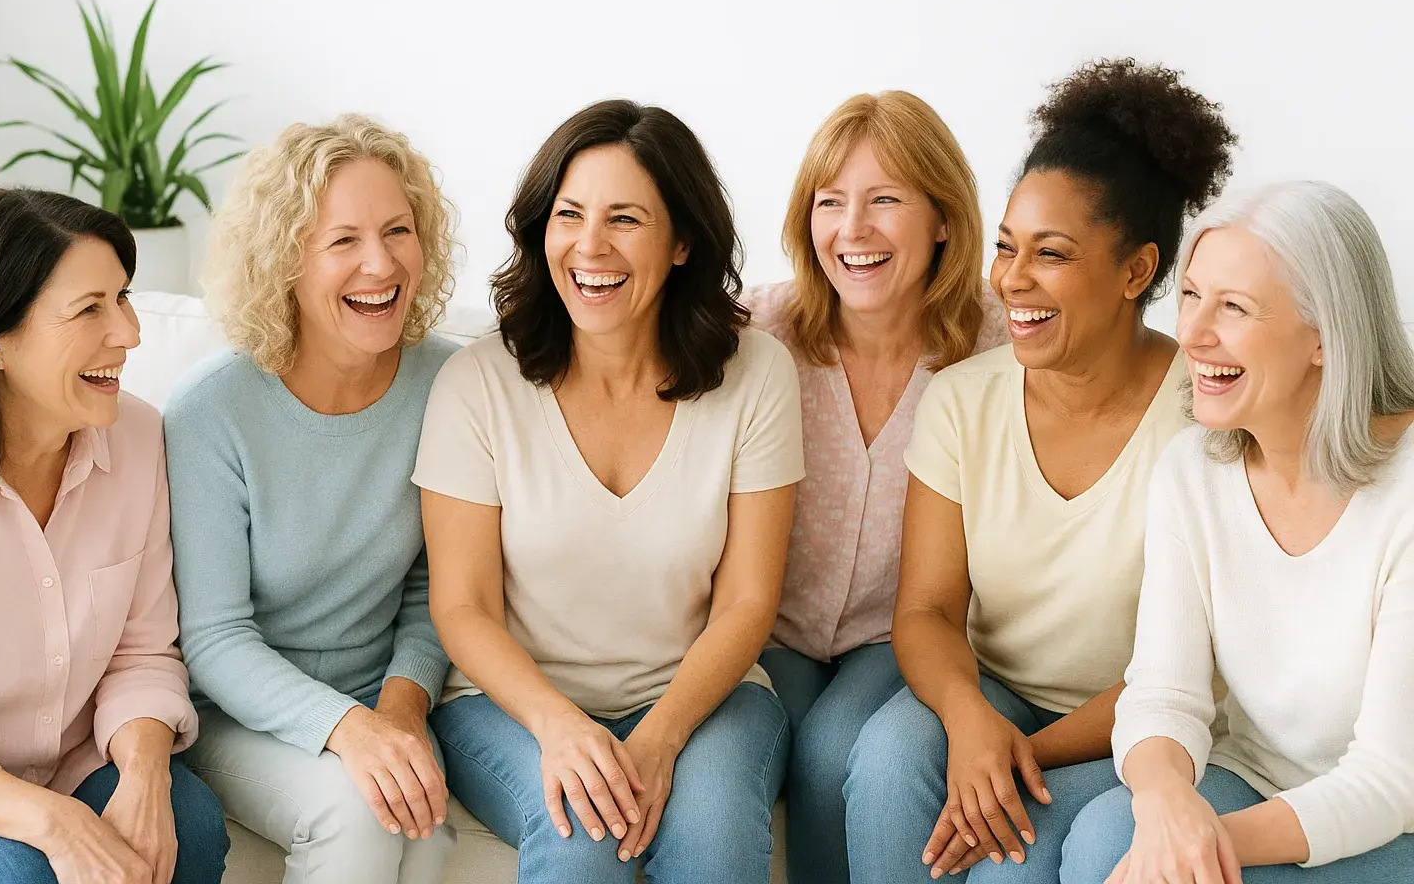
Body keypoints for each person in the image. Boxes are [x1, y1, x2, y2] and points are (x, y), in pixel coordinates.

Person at [844, 58, 1237, 882]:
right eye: (1006, 248)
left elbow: (1203, 670)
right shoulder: (961, 400)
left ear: (1136, 272)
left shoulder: (1208, 419)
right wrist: (970, 721)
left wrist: (1017, 756)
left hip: (1154, 724)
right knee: (885, 766)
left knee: (1012, 863)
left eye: (1050, 254)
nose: (1011, 280)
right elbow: (925, 609)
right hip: (996, 690)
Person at [415, 99, 802, 884]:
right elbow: (462, 607)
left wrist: (660, 738)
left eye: (625, 219)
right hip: (509, 704)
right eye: (569, 215)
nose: (590, 246)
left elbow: (747, 602)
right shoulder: (475, 383)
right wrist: (559, 726)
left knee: (716, 842)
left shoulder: (758, 374)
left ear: (683, 242)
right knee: (580, 840)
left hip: (701, 697)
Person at [1062, 181, 1414, 883]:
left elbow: (1388, 781)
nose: (1191, 334)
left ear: (1324, 336)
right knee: (1096, 840)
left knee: (1129, 860)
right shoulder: (1192, 469)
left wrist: (1196, 846)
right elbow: (1162, 695)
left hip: (1393, 817)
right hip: (1254, 774)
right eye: (1191, 295)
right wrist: (1165, 806)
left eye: (1234, 307)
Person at [0, 188, 228, 884]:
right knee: (16, 874)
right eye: (89, 308)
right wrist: (56, 823)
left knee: (188, 826)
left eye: (123, 298)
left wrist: (146, 774)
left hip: (66, 763)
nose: (129, 333)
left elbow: (142, 652)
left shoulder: (138, 439)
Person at [164, 115, 459, 883]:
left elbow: (436, 586)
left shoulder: (448, 386)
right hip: (235, 711)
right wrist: (349, 730)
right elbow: (215, 637)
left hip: (382, 696)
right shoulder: (210, 412)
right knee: (358, 813)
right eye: (343, 241)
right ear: (284, 260)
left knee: (429, 835)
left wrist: (400, 710)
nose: (380, 264)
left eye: (398, 231)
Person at [746, 90, 1007, 884]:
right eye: (830, 202)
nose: (852, 229)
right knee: (785, 737)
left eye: (884, 200)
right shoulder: (756, 333)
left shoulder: (999, 340)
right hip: (774, 631)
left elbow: (1122, 355)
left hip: (903, 632)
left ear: (943, 219)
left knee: (832, 750)